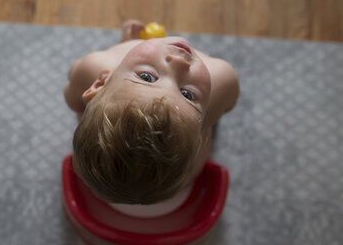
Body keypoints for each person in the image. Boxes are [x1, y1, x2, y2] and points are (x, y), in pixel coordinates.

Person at [64, 20, 239, 217]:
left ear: (100, 82)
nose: (180, 63)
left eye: (147, 77)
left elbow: (72, 98)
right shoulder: (222, 78)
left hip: (110, 71)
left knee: (84, 101)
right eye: (187, 94)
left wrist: (121, 49)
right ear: (200, 136)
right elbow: (228, 105)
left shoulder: (92, 66)